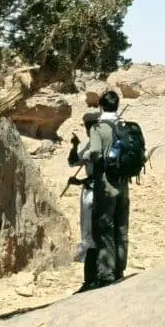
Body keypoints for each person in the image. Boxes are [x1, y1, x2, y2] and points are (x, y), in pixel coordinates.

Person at [91, 90, 130, 285]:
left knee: (105, 228)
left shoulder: (98, 128)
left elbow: (95, 152)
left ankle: (106, 275)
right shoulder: (124, 125)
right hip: (124, 183)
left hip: (106, 184)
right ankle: (120, 270)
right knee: (121, 228)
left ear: (101, 105)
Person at [67, 111, 99, 274]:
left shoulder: (96, 144)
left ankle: (89, 255)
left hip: (94, 189)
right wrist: (75, 146)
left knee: (88, 223)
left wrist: (79, 181)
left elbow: (75, 162)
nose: (87, 131)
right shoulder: (92, 143)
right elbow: (73, 162)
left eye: (89, 128)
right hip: (94, 187)